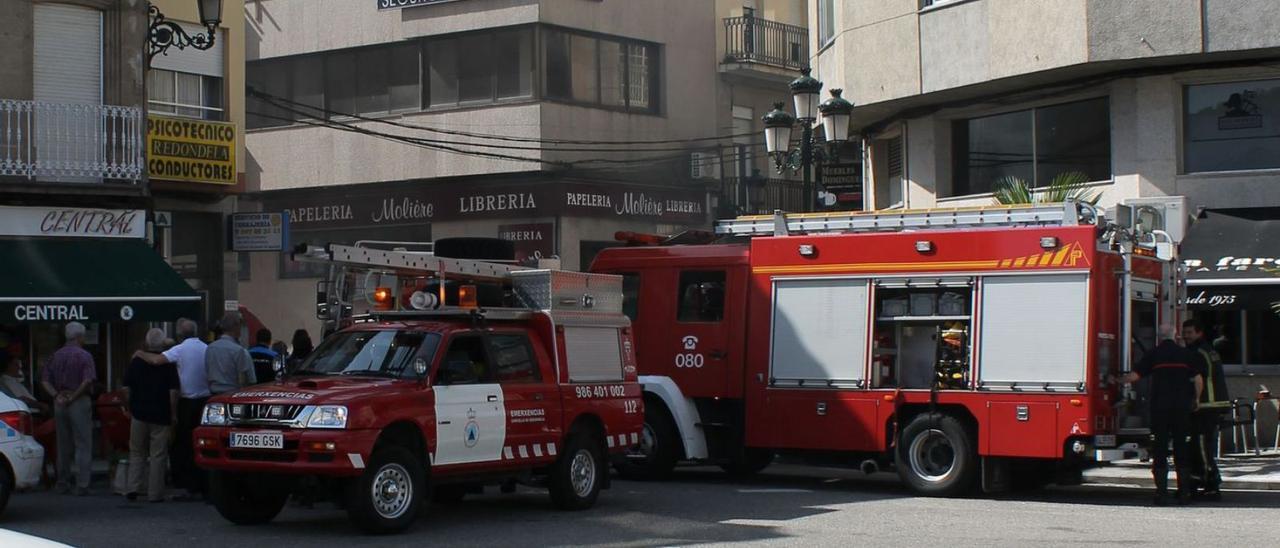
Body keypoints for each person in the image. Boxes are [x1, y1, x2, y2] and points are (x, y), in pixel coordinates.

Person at [1121, 325, 1204, 506]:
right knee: (1181, 448)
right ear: (1175, 335)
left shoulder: (1154, 354)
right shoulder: (1186, 354)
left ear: (1159, 337)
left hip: (1160, 408)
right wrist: (1196, 399)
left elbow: (1135, 376)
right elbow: (1198, 379)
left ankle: (1162, 493)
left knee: (1160, 450)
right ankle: (1184, 493)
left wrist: (1116, 380)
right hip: (1181, 408)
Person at [133, 318, 208, 497]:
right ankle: (201, 482)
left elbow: (158, 360)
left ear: (180, 334)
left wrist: (139, 353)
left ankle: (184, 481)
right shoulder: (206, 348)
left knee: (181, 444)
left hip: (186, 401)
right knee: (200, 442)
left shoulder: (180, 350)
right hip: (204, 400)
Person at [123, 329, 180, 503]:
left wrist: (129, 407)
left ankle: (133, 487)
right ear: (162, 344)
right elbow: (173, 392)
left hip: (139, 413)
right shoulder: (168, 364)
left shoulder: (136, 362)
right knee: (158, 454)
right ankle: (155, 493)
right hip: (161, 413)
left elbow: (126, 389)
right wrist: (173, 413)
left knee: (137, 452)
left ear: (146, 343)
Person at [39, 322, 96, 496]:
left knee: (63, 444)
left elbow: (45, 380)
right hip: (77, 401)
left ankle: (62, 482)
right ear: (79, 337)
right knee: (83, 443)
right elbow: (87, 380)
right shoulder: (85, 356)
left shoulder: (55, 356)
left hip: (60, 401)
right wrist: (75, 396)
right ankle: (82, 484)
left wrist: (56, 395)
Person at [1183, 319, 1230, 501]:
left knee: (1202, 448)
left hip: (1205, 407)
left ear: (1199, 333)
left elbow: (1198, 379)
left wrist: (1195, 400)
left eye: (1189, 333)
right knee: (1200, 447)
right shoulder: (1209, 350)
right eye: (1184, 332)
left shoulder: (1197, 352)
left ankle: (1211, 485)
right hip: (1211, 407)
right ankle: (1197, 483)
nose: (1186, 336)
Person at [206, 312, 256, 395]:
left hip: (213, 393)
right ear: (236, 327)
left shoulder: (210, 348)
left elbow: (207, 372)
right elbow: (243, 379)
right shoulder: (238, 350)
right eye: (240, 327)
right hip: (232, 393)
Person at [1, 351, 47, 415]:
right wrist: (41, 405)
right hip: (29, 413)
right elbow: (21, 399)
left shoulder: (14, 380)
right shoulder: (7, 381)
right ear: (9, 366)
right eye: (16, 365)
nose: (19, 367)